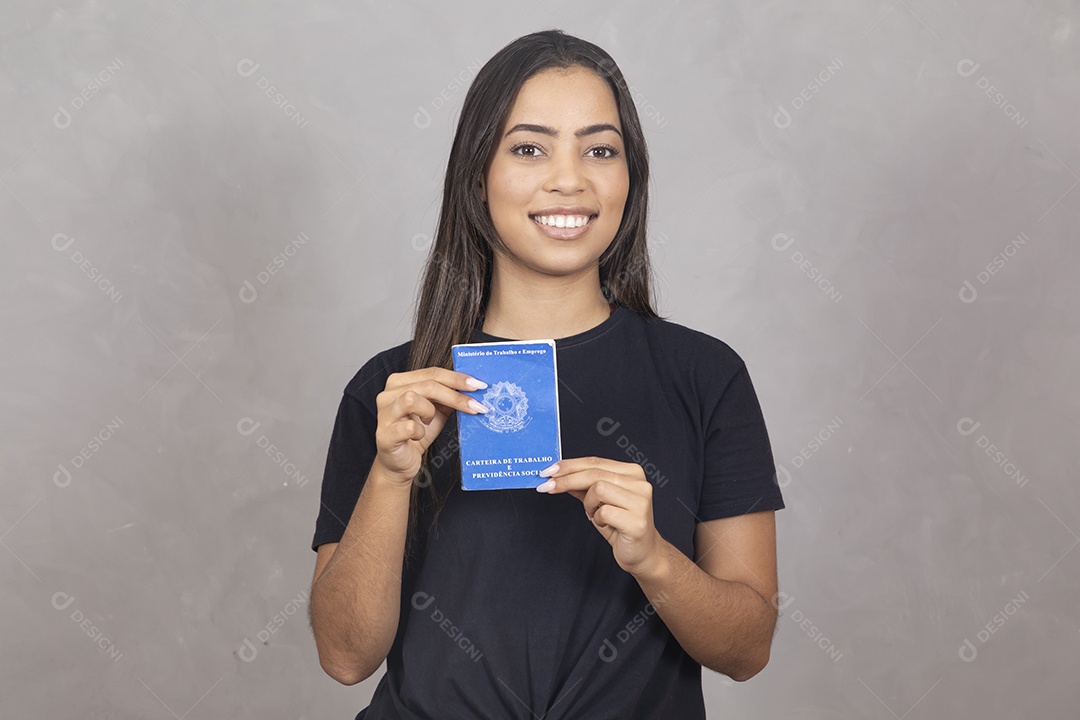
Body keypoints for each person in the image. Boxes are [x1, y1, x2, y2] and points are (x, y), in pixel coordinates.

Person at [308, 28, 785, 720]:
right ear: (478, 176)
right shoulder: (392, 391)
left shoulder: (705, 375)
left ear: (630, 177)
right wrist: (390, 475)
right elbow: (345, 657)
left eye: (600, 149)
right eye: (529, 148)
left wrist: (653, 557)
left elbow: (748, 650)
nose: (570, 179)